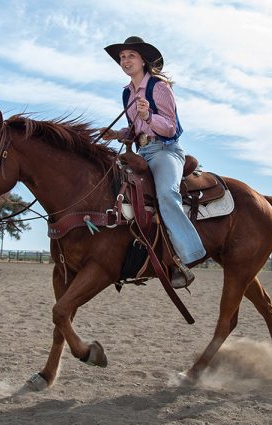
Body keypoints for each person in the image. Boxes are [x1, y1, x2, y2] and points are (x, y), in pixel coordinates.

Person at [100, 36, 206, 288]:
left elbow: (170, 128)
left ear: (143, 61)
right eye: (122, 57)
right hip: (141, 153)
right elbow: (134, 132)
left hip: (165, 151)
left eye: (130, 56)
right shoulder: (127, 93)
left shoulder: (159, 87)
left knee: (167, 195)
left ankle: (186, 256)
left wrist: (148, 116)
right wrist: (116, 134)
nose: (125, 61)